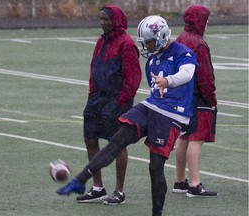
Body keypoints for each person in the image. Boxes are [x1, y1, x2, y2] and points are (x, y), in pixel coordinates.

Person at [57, 15, 197, 216]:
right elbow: (155, 91)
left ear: (162, 36)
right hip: (152, 106)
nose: (146, 46)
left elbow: (187, 73)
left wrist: (168, 80)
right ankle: (80, 180)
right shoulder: (152, 61)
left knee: (155, 167)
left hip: (173, 114)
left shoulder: (183, 52)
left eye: (149, 41)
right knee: (117, 139)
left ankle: (156, 213)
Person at [76, 5, 142, 205]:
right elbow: (93, 67)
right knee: (90, 139)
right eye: (101, 19)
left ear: (116, 21)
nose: (101, 23)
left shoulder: (127, 44)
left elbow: (133, 78)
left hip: (116, 101)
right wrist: (91, 92)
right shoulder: (100, 41)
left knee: (117, 143)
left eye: (105, 19)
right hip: (96, 99)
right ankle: (98, 188)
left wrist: (122, 101)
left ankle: (119, 191)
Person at [172, 5, 218, 197]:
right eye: (205, 20)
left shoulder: (180, 38)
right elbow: (204, 76)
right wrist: (211, 98)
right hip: (198, 97)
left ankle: (180, 180)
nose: (206, 24)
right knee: (196, 139)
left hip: (183, 97)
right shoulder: (198, 44)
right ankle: (194, 183)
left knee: (183, 137)